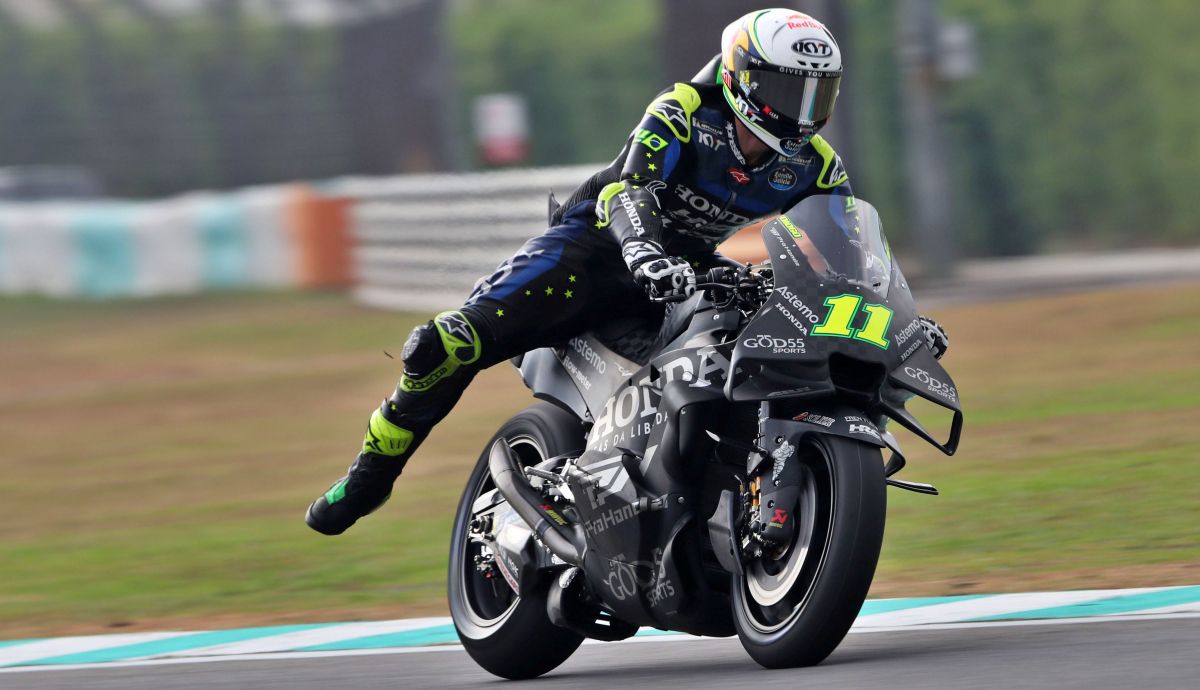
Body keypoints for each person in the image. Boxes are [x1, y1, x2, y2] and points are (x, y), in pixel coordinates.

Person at [306, 8, 949, 535]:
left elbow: (846, 244)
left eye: (818, 93)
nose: (803, 109)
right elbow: (627, 190)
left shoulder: (817, 165)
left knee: (762, 351)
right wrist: (643, 252)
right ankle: (369, 479)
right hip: (594, 251)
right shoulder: (683, 110)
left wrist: (894, 315)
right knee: (444, 346)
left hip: (689, 267)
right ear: (743, 78)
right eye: (789, 90)